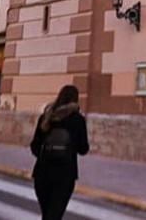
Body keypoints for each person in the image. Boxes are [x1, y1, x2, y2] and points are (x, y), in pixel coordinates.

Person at [30, 85, 90, 220]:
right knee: (53, 216)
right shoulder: (78, 119)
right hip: (64, 175)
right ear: (75, 99)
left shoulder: (46, 117)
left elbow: (34, 147)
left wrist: (47, 154)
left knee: (48, 216)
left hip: (42, 174)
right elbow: (83, 149)